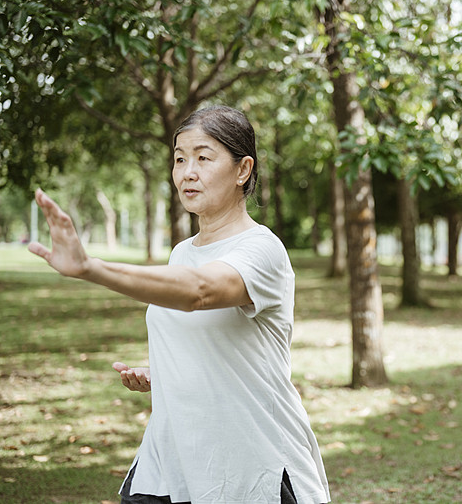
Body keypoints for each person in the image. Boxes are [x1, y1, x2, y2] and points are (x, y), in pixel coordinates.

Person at [28, 105, 330, 504]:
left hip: (250, 465)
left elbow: (199, 291)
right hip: (172, 463)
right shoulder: (181, 253)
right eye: (180, 159)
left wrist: (89, 268)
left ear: (243, 170)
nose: (188, 171)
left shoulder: (261, 249)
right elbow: (208, 335)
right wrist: (166, 370)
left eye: (204, 158)